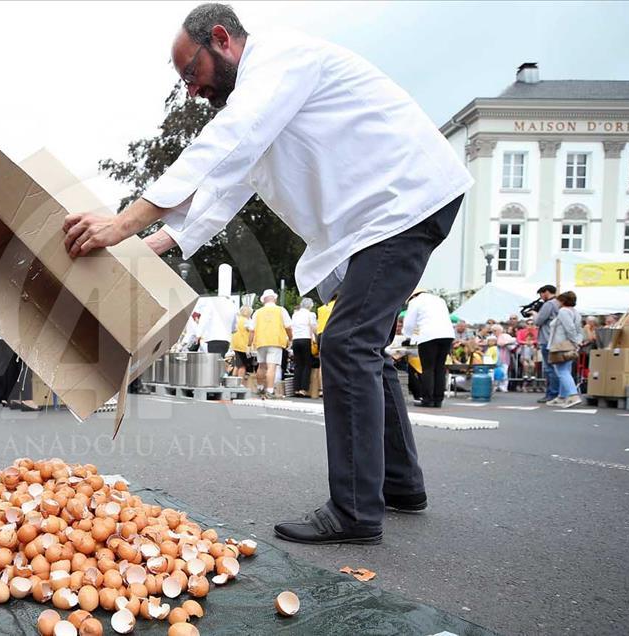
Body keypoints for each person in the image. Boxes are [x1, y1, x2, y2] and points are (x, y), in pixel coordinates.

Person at [62, 3, 472, 544]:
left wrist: (123, 222)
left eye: (191, 73)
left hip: (401, 204)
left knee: (348, 345)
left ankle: (355, 512)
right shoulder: (262, 100)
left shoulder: (280, 59)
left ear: (220, 40)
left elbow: (226, 142)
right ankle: (399, 484)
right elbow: (225, 187)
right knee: (360, 346)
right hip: (384, 215)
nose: (190, 90)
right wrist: (151, 243)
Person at [402, 289, 454, 408]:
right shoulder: (440, 300)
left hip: (428, 336)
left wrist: (408, 337)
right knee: (440, 368)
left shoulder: (415, 301)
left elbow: (409, 323)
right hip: (447, 334)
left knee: (428, 368)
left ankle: (427, 399)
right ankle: (438, 399)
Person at [247, 290, 292, 399]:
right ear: (275, 299)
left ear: (263, 300)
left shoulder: (257, 312)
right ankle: (270, 390)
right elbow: (288, 327)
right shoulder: (281, 310)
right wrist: (290, 338)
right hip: (275, 341)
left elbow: (252, 330)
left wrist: (249, 344)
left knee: (261, 366)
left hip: (261, 342)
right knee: (271, 366)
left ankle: (260, 388)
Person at [547, 291, 584, 408]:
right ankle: (562, 396)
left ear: (563, 301)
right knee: (565, 370)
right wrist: (577, 342)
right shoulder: (576, 313)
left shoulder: (563, 311)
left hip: (560, 345)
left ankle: (573, 395)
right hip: (570, 345)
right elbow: (578, 330)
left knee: (561, 371)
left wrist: (574, 341)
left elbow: (570, 329)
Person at [532, 285, 560, 404]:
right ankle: (558, 393)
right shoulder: (559, 303)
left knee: (549, 369)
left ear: (546, 292)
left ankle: (551, 393)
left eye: (541, 294)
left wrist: (534, 313)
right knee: (557, 368)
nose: (541, 297)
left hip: (547, 338)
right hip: (557, 339)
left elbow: (538, 321)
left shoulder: (549, 304)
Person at [290, 298, 318, 397]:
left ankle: (296, 388)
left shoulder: (295, 314)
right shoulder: (311, 315)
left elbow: (292, 327)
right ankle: (303, 388)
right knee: (307, 364)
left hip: (296, 340)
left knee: (298, 364)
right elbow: (314, 328)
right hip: (306, 339)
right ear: (310, 305)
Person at [229, 306, 253, 378]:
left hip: (235, 344)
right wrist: (250, 344)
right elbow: (252, 330)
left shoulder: (237, 320)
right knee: (243, 365)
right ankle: (240, 382)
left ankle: (233, 380)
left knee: (237, 364)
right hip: (243, 345)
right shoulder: (247, 321)